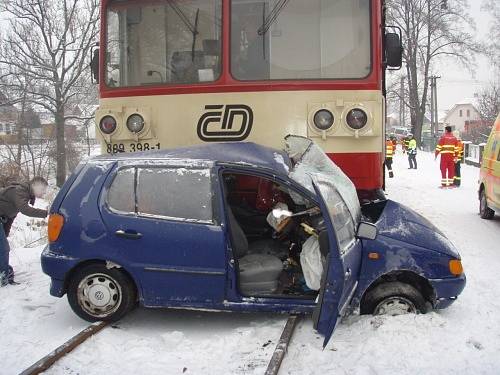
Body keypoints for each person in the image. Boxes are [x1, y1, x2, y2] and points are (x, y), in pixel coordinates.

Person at [0, 177, 48, 286]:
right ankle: (4, 277)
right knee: (3, 249)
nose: (44, 192)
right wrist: (46, 213)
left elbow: (11, 215)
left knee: (2, 248)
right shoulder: (19, 191)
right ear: (35, 185)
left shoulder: (24, 193)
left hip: (3, 220)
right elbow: (25, 209)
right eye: (42, 189)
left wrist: (5, 232)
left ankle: (5, 274)